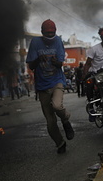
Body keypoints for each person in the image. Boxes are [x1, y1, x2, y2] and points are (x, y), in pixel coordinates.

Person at [26, 19, 75, 154]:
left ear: (55, 32)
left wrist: (55, 62)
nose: (49, 36)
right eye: (47, 33)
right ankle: (60, 143)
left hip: (56, 81)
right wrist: (38, 59)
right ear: (42, 33)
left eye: (51, 33)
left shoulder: (58, 41)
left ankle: (65, 120)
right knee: (50, 121)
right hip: (42, 86)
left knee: (57, 105)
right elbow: (31, 66)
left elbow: (60, 64)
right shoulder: (35, 42)